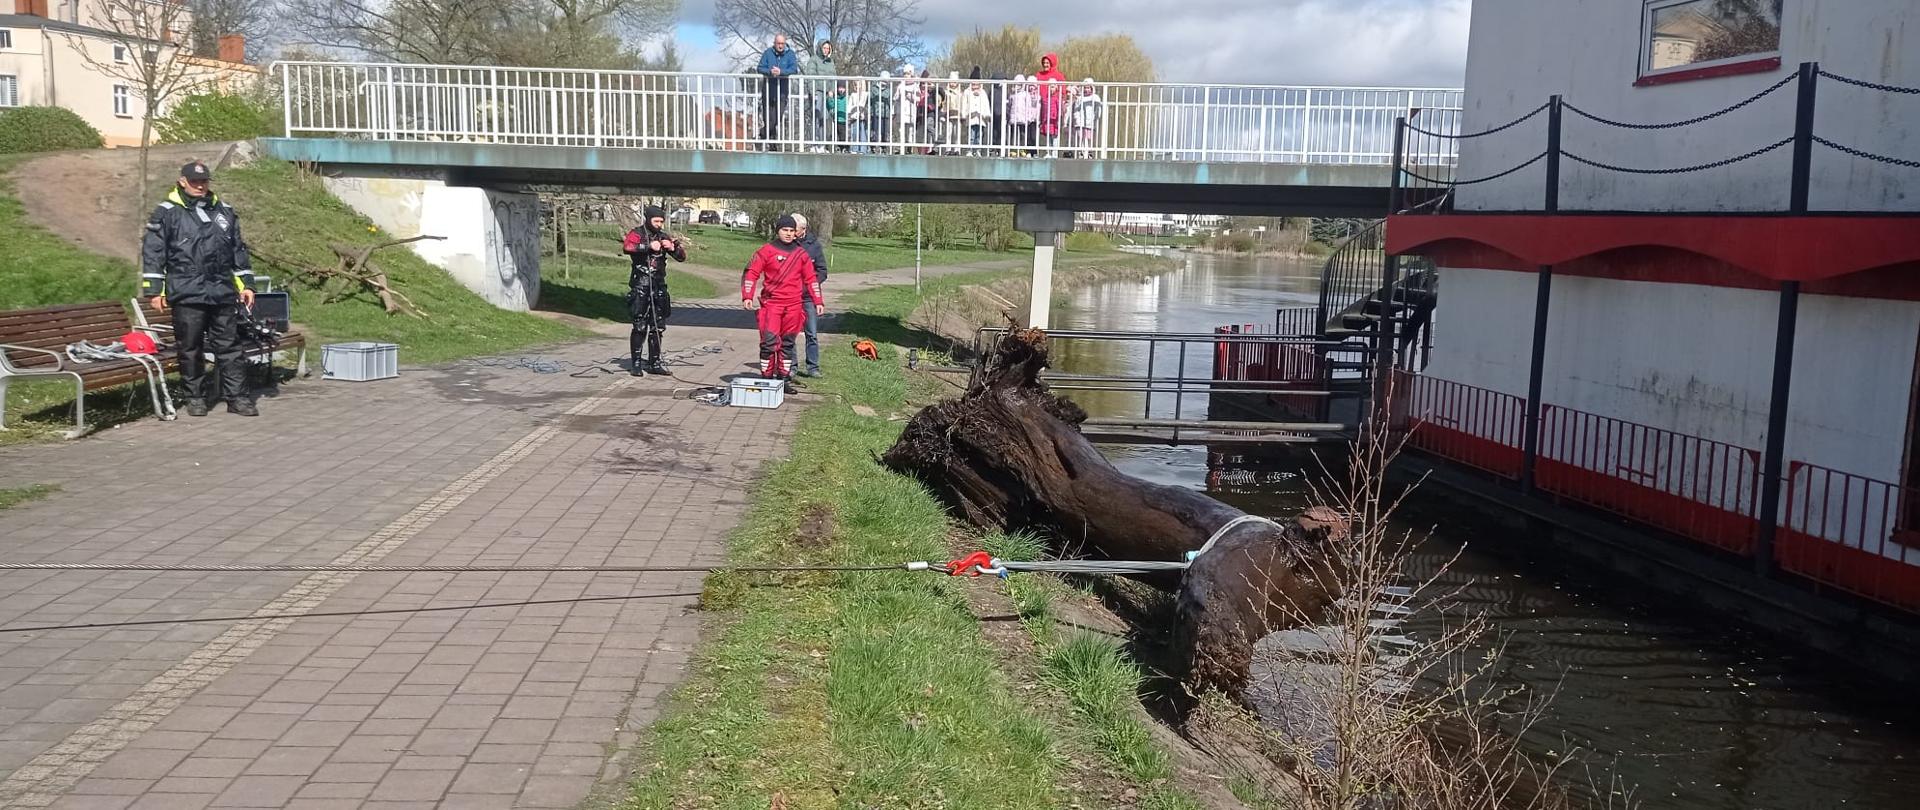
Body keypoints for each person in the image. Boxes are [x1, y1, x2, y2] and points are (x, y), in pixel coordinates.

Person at [141, 160, 258, 418]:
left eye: (204, 181)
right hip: (187, 291)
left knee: (229, 347)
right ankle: (195, 397)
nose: (200, 185)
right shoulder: (167, 212)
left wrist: (247, 284)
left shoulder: (224, 211)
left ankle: (237, 398)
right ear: (182, 181)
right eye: (194, 181)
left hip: (222, 290)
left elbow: (237, 250)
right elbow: (154, 252)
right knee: (190, 348)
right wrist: (154, 290)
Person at [741, 215, 824, 380]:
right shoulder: (766, 251)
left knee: (787, 344)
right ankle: (766, 378)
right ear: (777, 230)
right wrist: (747, 296)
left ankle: (784, 379)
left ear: (796, 233)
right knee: (768, 343)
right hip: (771, 305)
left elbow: (811, 279)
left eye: (792, 230)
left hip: (794, 306)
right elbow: (751, 273)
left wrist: (818, 301)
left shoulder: (801, 254)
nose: (788, 233)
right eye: (784, 230)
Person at [620, 205, 686, 376]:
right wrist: (648, 246)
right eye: (656, 221)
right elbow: (628, 247)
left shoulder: (663, 236)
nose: (659, 224)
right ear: (648, 219)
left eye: (661, 221)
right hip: (641, 283)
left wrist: (672, 248)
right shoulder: (637, 233)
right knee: (640, 325)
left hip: (659, 284)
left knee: (658, 326)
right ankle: (635, 363)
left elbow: (681, 257)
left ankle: (654, 363)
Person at [790, 213, 830, 377]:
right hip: (790, 296)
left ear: (803, 229)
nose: (791, 232)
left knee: (811, 333)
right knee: (789, 333)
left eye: (795, 229)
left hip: (808, 297)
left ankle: (813, 367)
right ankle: (791, 366)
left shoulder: (814, 246)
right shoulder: (786, 244)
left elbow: (822, 271)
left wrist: (809, 285)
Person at [755, 34, 800, 148]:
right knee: (768, 119)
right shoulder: (768, 53)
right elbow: (760, 68)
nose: (780, 46)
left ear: (785, 44)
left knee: (776, 119)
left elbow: (794, 69)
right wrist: (770, 72)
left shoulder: (790, 54)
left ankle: (763, 134)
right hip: (768, 91)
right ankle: (772, 144)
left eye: (782, 44)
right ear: (774, 43)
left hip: (782, 93)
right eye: (778, 43)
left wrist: (781, 72)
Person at [1035, 52, 1067, 153]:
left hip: (1054, 108)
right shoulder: (1038, 75)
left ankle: (1054, 152)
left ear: (1052, 63)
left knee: (1054, 131)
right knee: (1045, 130)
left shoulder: (1059, 76)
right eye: (1044, 62)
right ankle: (1047, 152)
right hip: (1042, 106)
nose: (1045, 64)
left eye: (1047, 62)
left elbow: (1063, 91)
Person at [1072, 78, 1105, 157]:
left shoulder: (1095, 97)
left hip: (1090, 121)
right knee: (1081, 138)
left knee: (1089, 138)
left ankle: (1089, 152)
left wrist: (1096, 117)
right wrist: (1076, 118)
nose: (1086, 90)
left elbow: (1098, 109)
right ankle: (1082, 152)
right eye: (1085, 88)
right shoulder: (1080, 98)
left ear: (1092, 88)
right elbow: (1076, 109)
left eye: (1088, 88)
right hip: (1081, 122)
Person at [1010, 75, 1039, 156]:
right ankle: (1014, 150)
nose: (1017, 86)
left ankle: (1023, 149)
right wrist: (1008, 117)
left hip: (1023, 119)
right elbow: (1009, 105)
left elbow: (1028, 107)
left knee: (1023, 135)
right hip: (1014, 119)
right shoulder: (1012, 94)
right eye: (1016, 84)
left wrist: (1028, 118)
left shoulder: (1025, 94)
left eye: (1019, 84)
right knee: (1014, 135)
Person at [964, 75, 992, 151]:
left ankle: (978, 150)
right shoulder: (967, 92)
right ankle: (970, 150)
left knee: (979, 135)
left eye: (977, 84)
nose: (975, 86)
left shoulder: (983, 92)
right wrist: (964, 114)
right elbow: (964, 103)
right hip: (971, 118)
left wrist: (987, 114)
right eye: (973, 84)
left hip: (981, 118)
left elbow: (986, 104)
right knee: (971, 135)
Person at [869, 71, 893, 153]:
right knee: (874, 130)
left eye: (886, 81)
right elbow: (870, 101)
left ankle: (884, 147)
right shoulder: (873, 88)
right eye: (883, 80)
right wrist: (869, 111)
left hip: (885, 114)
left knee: (884, 131)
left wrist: (891, 112)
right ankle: (872, 146)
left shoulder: (889, 90)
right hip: (875, 113)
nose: (884, 82)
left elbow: (890, 102)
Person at [847, 78, 872, 153]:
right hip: (854, 118)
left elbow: (868, 105)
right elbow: (849, 106)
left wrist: (865, 114)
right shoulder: (853, 95)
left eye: (859, 84)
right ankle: (854, 149)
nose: (857, 86)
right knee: (854, 133)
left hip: (864, 118)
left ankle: (863, 149)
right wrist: (851, 115)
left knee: (863, 133)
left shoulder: (866, 94)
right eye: (855, 84)